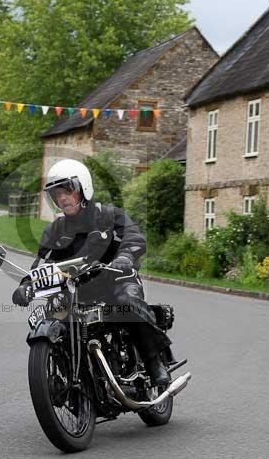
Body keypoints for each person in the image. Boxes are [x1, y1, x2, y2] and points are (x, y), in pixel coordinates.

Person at [12, 159, 171, 385]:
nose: (63, 198)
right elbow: (42, 263)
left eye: (67, 191)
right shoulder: (56, 230)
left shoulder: (109, 216)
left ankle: (154, 363)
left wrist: (124, 257)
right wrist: (27, 284)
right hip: (78, 290)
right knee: (55, 313)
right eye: (57, 194)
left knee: (127, 304)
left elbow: (134, 238)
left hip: (116, 281)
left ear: (82, 188)